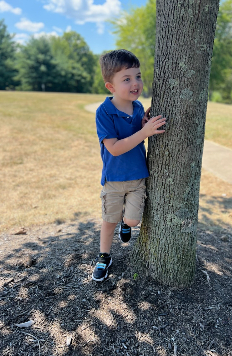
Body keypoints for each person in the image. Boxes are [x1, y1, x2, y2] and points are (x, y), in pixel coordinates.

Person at [92, 49, 166, 282]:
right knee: (109, 220)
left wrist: (142, 123)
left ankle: (127, 223)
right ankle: (104, 256)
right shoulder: (104, 112)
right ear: (110, 86)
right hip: (114, 178)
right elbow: (114, 147)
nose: (135, 83)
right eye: (126, 79)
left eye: (138, 76)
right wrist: (144, 132)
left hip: (136, 176)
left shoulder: (136, 108)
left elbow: (135, 133)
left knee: (133, 221)